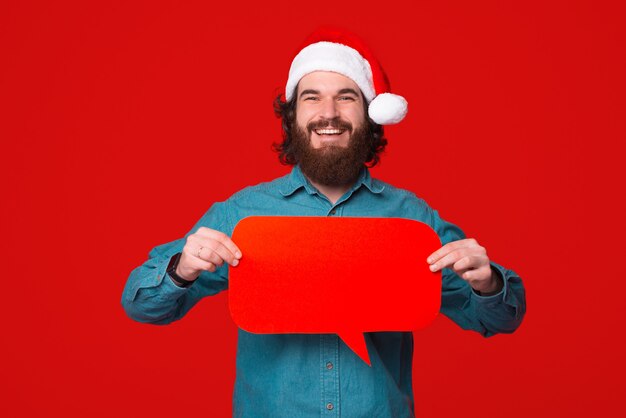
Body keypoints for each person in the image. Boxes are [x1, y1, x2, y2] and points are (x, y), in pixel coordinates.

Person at [122, 28, 526, 418]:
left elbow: (501, 319)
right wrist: (181, 269)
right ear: (292, 115)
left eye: (346, 97)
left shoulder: (410, 216)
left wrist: (487, 283)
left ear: (369, 114)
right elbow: (142, 306)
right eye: (312, 97)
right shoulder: (244, 212)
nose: (329, 113)